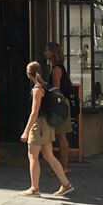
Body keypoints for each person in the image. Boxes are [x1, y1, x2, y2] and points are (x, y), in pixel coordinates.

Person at [20, 61, 74, 197]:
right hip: (48, 125)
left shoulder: (37, 89)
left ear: (28, 74)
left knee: (32, 156)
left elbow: (34, 112)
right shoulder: (45, 86)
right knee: (48, 155)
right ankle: (66, 184)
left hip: (39, 125)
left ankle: (34, 188)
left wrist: (26, 131)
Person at [43, 42, 75, 175]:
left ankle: (64, 167)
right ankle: (61, 166)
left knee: (61, 135)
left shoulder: (56, 69)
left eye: (47, 50)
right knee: (59, 135)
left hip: (59, 104)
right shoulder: (60, 68)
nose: (45, 53)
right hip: (62, 102)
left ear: (53, 53)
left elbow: (56, 89)